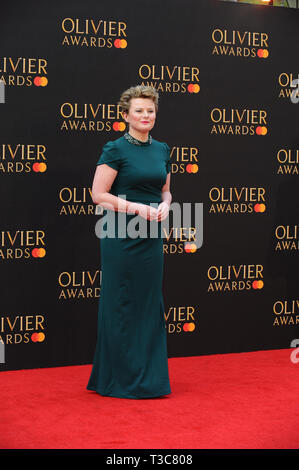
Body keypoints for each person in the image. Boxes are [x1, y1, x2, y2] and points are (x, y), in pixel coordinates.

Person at [86, 85, 172, 399]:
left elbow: (164, 189)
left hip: (150, 235)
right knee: (120, 302)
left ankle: (149, 379)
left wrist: (165, 205)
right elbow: (98, 195)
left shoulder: (162, 149)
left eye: (150, 110)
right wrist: (137, 208)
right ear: (125, 115)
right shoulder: (115, 149)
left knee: (148, 304)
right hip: (120, 234)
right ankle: (117, 379)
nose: (145, 115)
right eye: (138, 110)